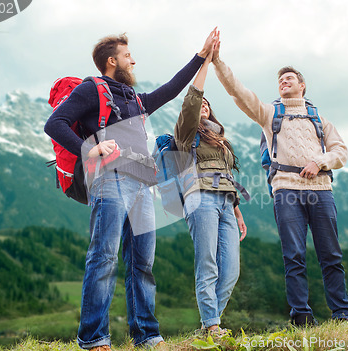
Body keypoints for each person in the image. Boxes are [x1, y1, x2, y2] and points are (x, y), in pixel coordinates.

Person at [44, 29, 218, 350]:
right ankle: (95, 339)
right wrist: (89, 147)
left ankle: (147, 336)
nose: (133, 60)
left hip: (141, 182)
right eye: (127, 56)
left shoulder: (136, 99)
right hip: (110, 178)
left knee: (143, 263)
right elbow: (54, 123)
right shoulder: (90, 90)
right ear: (112, 61)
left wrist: (201, 55)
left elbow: (171, 88)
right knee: (105, 257)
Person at [211, 38, 348, 326]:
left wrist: (321, 162)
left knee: (331, 254)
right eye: (280, 80)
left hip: (322, 190)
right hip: (286, 190)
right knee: (294, 256)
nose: (283, 82)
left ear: (302, 85)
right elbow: (239, 93)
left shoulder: (319, 119)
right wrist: (217, 62)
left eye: (289, 78)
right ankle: (301, 317)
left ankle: (343, 314)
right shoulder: (270, 114)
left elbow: (341, 151)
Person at [173, 41, 247, 335]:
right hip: (199, 198)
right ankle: (213, 326)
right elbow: (192, 99)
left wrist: (238, 211)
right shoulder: (186, 133)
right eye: (201, 104)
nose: (203, 105)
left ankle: (206, 326)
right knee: (208, 264)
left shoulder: (221, 139)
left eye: (207, 104)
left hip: (226, 203)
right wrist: (206, 62)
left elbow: (227, 174)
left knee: (230, 270)